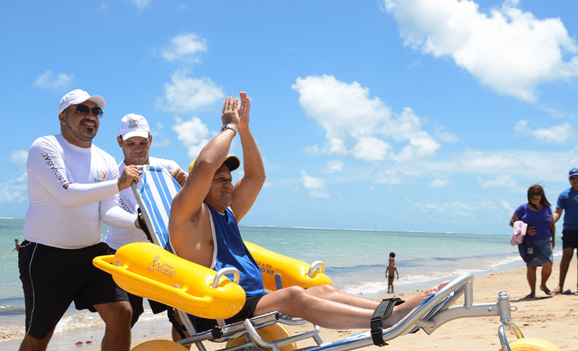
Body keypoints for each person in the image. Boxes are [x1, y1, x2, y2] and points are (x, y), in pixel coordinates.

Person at [168, 92, 447, 334]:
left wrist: (243, 129)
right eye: (220, 180)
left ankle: (393, 309)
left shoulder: (227, 213)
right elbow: (205, 164)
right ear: (201, 186)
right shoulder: (189, 216)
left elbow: (256, 176)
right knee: (294, 296)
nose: (229, 184)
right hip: (221, 309)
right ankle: (388, 320)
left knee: (322, 290)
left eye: (229, 178)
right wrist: (227, 128)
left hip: (251, 300)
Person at [16, 89, 140, 351]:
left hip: (90, 253)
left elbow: (109, 210)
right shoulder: (45, 147)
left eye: (96, 111)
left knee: (122, 312)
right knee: (39, 333)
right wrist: (118, 182)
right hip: (45, 253)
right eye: (81, 110)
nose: (90, 115)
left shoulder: (102, 158)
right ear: (63, 117)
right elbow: (67, 194)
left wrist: (137, 222)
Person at [105, 113, 187, 327]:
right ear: (120, 142)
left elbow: (191, 204)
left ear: (151, 139)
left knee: (181, 313)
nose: (138, 149)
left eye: (143, 142)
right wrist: (138, 221)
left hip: (159, 251)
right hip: (122, 252)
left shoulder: (167, 168)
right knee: (127, 316)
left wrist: (189, 184)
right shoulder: (113, 173)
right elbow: (108, 214)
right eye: (130, 143)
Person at [509, 184, 555, 298]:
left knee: (548, 264)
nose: (535, 196)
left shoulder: (547, 208)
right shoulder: (522, 208)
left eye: (537, 194)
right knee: (531, 267)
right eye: (532, 194)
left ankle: (543, 285)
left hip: (545, 241)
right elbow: (512, 222)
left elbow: (552, 224)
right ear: (528, 196)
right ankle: (532, 292)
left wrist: (553, 239)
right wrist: (525, 229)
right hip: (529, 242)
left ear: (542, 195)